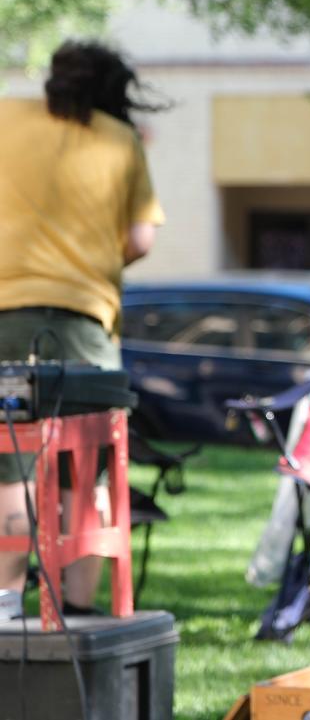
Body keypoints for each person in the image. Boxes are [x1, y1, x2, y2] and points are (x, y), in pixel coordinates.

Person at [0, 40, 166, 616]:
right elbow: (140, 240)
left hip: (3, 315)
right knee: (83, 469)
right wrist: (87, 259)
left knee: (12, 464)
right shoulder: (120, 140)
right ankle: (75, 606)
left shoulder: (6, 114)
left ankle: (4, 603)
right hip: (82, 324)